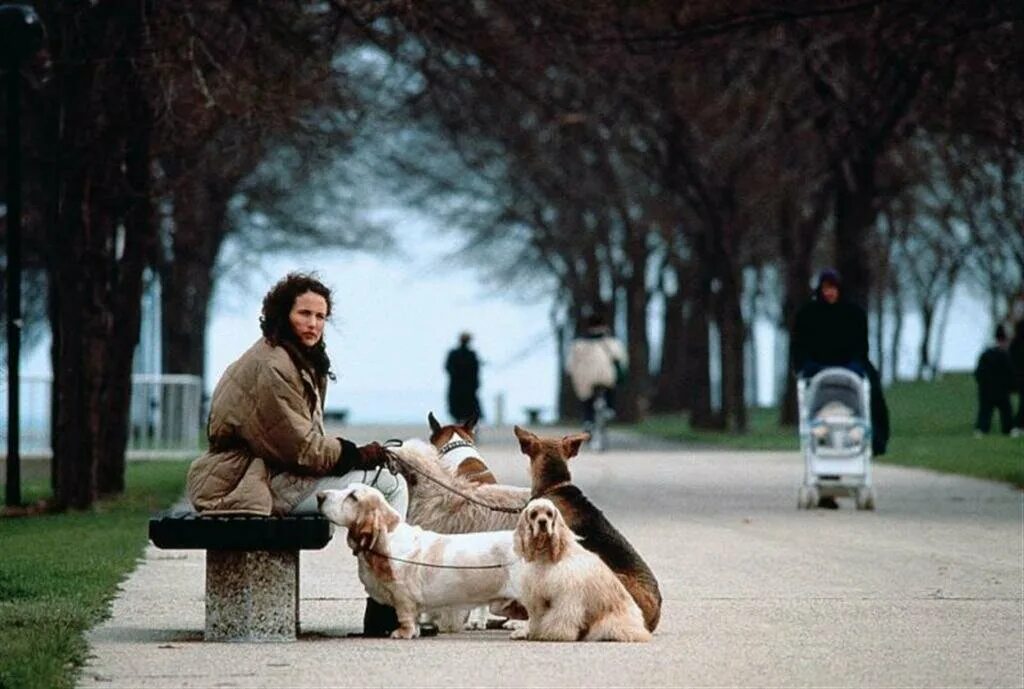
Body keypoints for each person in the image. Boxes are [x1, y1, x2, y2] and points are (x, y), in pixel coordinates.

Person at [185, 272, 410, 636]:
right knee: (390, 483)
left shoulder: (291, 356)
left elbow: (298, 441)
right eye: (304, 313)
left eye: (321, 317)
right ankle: (388, 606)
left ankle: (387, 602)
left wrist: (354, 454)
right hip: (250, 481)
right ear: (282, 313)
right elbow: (302, 450)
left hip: (267, 473)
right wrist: (356, 454)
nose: (313, 324)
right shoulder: (274, 365)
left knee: (386, 481)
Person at [792, 269, 890, 506]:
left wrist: (854, 365)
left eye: (833, 288)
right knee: (821, 420)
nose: (829, 293)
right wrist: (808, 367)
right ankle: (825, 478)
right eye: (825, 288)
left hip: (850, 369)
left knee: (871, 393)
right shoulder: (808, 315)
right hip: (818, 371)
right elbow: (799, 349)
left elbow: (861, 348)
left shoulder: (853, 314)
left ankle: (875, 438)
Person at [567, 313, 627, 432]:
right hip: (606, 376)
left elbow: (570, 366)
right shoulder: (613, 343)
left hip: (585, 378)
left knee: (586, 399)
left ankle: (588, 421)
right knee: (610, 387)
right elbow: (622, 361)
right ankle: (609, 408)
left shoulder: (578, 345)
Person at [974, 324, 1015, 437]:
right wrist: (1012, 387)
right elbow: (1010, 374)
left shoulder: (985, 355)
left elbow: (978, 373)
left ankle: (981, 430)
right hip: (1001, 390)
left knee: (985, 412)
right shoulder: (1005, 356)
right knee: (1006, 412)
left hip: (986, 390)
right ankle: (1008, 430)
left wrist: (982, 384)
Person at [444, 331, 483, 424]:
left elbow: (475, 372)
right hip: (462, 389)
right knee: (462, 414)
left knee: (464, 414)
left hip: (465, 389)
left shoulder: (469, 354)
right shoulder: (465, 354)